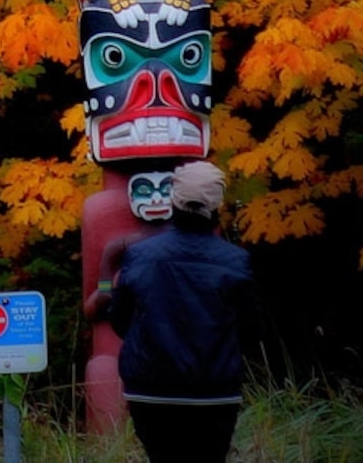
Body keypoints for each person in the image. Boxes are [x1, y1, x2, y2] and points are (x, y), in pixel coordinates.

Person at [104, 161, 258, 463]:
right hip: (214, 390)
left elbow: (119, 317)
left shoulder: (139, 255)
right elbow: (251, 330)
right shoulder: (236, 262)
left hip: (150, 388)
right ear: (217, 206)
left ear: (174, 201)